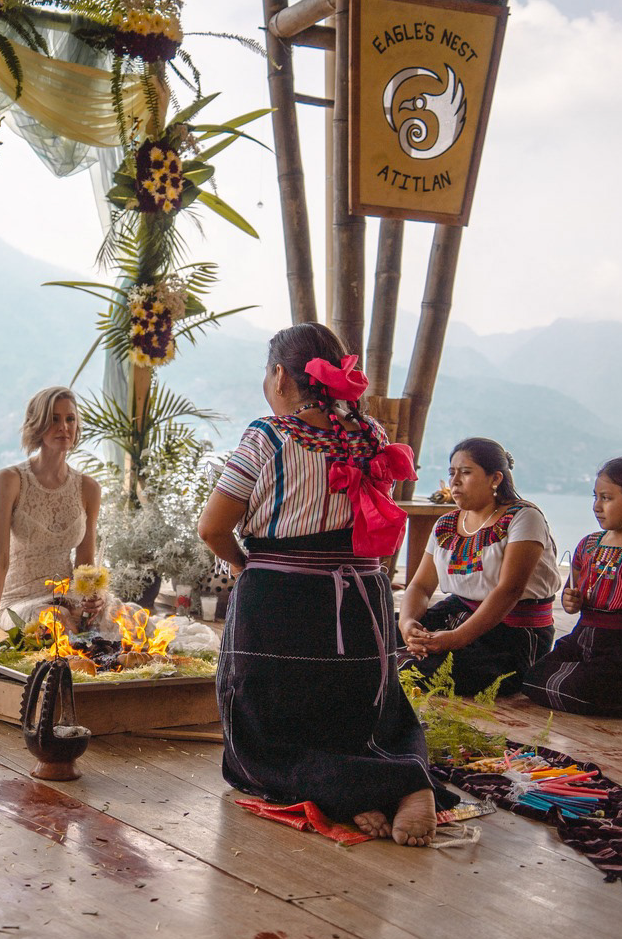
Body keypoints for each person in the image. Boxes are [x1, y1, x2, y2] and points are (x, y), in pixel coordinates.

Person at [198, 323, 457, 847]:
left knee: (263, 739)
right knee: (363, 716)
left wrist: (246, 566)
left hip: (283, 599)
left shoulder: (268, 435)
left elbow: (212, 528)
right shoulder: (370, 435)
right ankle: (399, 781)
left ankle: (349, 790)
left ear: (279, 376)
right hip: (363, 598)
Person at [399, 438, 562, 697]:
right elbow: (420, 586)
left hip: (511, 633)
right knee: (375, 636)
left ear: (495, 478)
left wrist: (456, 639)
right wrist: (408, 624)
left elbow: (509, 590)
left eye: (465, 472)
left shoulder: (523, 518)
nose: (454, 481)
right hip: (456, 615)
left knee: (425, 670)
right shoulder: (446, 524)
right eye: (452, 472)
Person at [522, 457, 622, 717]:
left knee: (582, 686)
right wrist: (572, 600)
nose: (597, 506)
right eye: (595, 497)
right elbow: (573, 592)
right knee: (532, 678)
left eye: (607, 498)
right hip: (583, 635)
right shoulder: (589, 544)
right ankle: (602, 690)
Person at [0, 386, 102, 638]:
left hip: (68, 597)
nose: (64, 427)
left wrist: (93, 599)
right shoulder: (10, 480)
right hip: (20, 599)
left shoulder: (89, 488)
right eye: (54, 419)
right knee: (58, 620)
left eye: (70, 419)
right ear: (38, 425)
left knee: (129, 620)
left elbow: (85, 563)